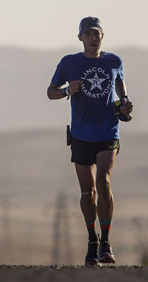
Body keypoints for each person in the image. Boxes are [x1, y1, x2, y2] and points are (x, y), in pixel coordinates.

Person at [47, 16, 133, 266]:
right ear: (80, 38)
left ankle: (106, 242)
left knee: (103, 181)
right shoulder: (69, 63)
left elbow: (120, 82)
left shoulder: (113, 61)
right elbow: (50, 92)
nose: (93, 38)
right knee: (88, 191)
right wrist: (66, 91)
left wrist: (125, 102)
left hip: (108, 131)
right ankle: (92, 240)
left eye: (97, 34)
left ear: (102, 36)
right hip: (81, 135)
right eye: (88, 34)